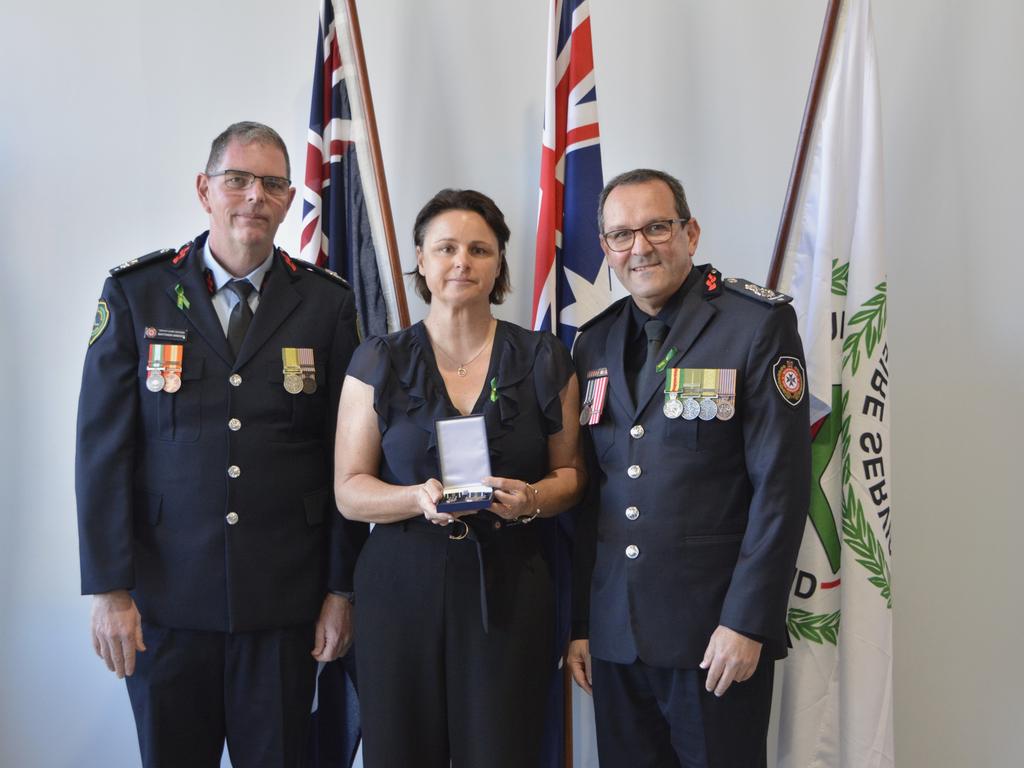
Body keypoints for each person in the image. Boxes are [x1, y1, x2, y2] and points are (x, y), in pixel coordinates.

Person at [76, 121, 367, 767]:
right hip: (164, 607)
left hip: (285, 605)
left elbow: (346, 457)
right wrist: (109, 590)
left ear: (291, 200)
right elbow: (103, 452)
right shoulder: (137, 293)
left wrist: (341, 590)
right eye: (237, 180)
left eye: (270, 184)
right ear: (205, 189)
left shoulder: (326, 304)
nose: (253, 197)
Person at [567, 168, 810, 768]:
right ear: (606, 249)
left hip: (715, 638)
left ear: (691, 232)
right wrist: (582, 623)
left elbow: (780, 487)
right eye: (621, 235)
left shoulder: (754, 324)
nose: (640, 247)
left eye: (656, 227)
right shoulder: (593, 343)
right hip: (617, 638)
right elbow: (591, 496)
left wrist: (747, 623)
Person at [334, 188, 585, 768]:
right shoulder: (378, 359)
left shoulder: (545, 357)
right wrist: (413, 497)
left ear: (499, 263)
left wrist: (530, 499)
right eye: (445, 248)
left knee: (503, 751)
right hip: (400, 584)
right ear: (421, 259)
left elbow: (571, 476)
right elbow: (350, 490)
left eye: (479, 249)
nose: (462, 262)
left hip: (511, 583)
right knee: (400, 752)